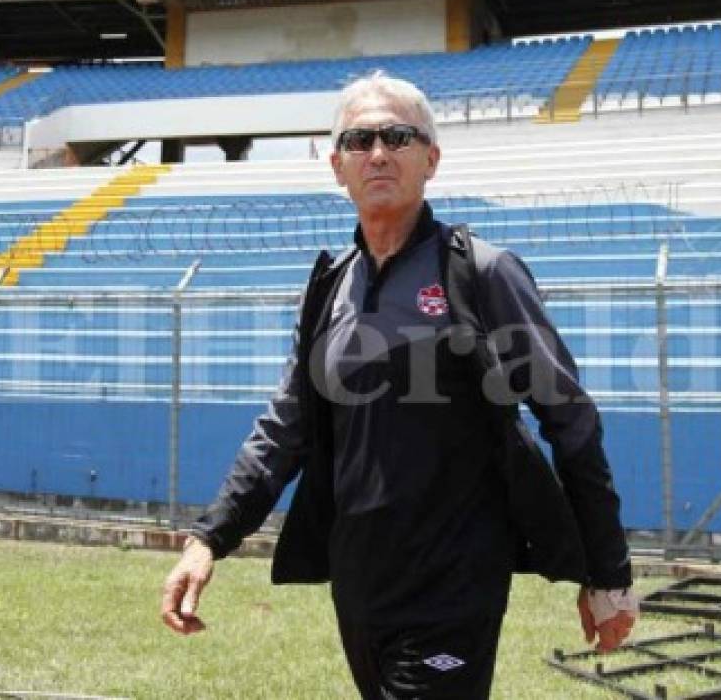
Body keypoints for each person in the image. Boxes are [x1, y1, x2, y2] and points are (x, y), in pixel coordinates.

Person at [160, 72, 638, 699]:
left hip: (455, 580)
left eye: (398, 136)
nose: (378, 152)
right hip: (359, 583)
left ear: (430, 158)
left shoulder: (481, 273)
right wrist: (209, 538)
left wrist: (608, 571)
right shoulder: (331, 288)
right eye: (359, 140)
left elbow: (570, 422)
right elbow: (286, 428)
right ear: (336, 165)